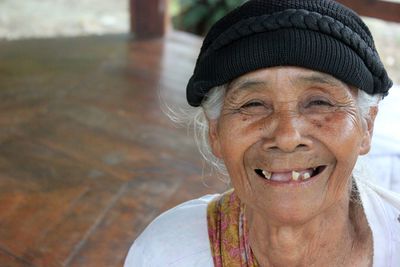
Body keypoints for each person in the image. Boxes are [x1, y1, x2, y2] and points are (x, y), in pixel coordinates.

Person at [125, 0, 400, 266]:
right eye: (253, 104)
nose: (287, 137)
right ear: (215, 133)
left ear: (367, 126)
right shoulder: (166, 253)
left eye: (319, 103)